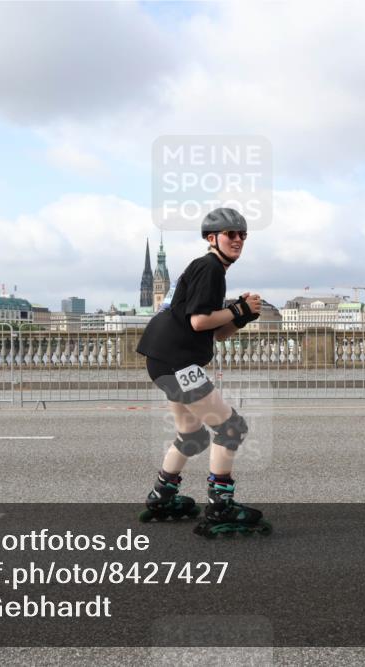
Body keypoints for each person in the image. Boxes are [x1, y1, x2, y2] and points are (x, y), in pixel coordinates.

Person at [135, 207, 272, 538]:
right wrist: (237, 308)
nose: (238, 239)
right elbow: (198, 321)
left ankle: (163, 495)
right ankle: (220, 505)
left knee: (192, 435)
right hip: (177, 361)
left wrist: (241, 317)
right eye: (231, 234)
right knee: (231, 428)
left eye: (242, 234)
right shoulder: (210, 267)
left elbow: (214, 332)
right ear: (213, 238)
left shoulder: (209, 269)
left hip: (164, 357)